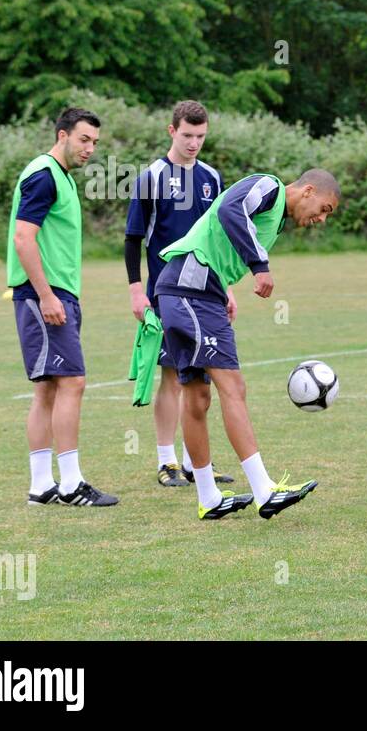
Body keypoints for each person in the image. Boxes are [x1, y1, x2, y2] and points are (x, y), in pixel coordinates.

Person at [154, 169, 340, 520]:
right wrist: (259, 266)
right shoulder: (268, 186)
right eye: (325, 208)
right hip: (191, 290)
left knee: (197, 395)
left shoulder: (276, 219)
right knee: (233, 386)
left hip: (189, 289)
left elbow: (216, 237)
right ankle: (264, 489)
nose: (322, 218)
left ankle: (208, 498)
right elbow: (229, 211)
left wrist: (223, 287)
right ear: (308, 190)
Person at [9, 107, 119, 508]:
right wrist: (47, 295)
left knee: (49, 389)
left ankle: (42, 486)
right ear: (62, 135)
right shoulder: (44, 174)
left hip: (58, 294)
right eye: (83, 139)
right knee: (72, 382)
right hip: (46, 295)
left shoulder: (63, 178)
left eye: (94, 142)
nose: (89, 148)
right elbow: (24, 238)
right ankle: (71, 484)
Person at [124, 100, 236, 488]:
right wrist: (137, 290)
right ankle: (166, 461)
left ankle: (195, 463)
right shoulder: (151, 177)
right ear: (171, 131)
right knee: (173, 376)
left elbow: (218, 239)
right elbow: (133, 238)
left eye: (201, 136)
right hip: (166, 293)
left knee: (202, 376)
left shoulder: (212, 178)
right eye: (187, 135)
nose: (194, 143)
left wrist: (228, 288)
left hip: (207, 292)